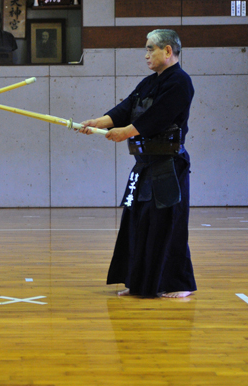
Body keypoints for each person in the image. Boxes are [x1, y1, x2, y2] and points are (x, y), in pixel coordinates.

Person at [80, 29, 196, 298]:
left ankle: (176, 284)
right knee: (137, 221)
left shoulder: (180, 82)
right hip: (144, 165)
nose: (146, 55)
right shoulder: (148, 82)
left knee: (167, 224)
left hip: (168, 166)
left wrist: (126, 132)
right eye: (146, 49)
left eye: (150, 49)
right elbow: (125, 109)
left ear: (168, 51)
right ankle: (139, 281)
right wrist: (98, 122)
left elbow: (158, 117)